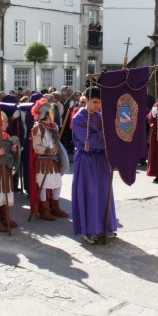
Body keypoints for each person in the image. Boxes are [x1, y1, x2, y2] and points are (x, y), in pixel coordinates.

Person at [71, 86, 116, 245]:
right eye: (94, 102)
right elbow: (88, 140)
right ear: (86, 100)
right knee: (90, 193)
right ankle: (90, 230)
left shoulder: (101, 116)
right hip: (86, 159)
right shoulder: (78, 118)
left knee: (104, 192)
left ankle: (106, 226)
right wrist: (104, 135)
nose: (97, 106)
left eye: (99, 102)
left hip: (102, 160)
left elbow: (111, 135)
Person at [29, 98, 68, 220]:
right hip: (44, 160)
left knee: (57, 184)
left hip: (54, 159)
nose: (52, 113)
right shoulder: (37, 127)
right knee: (44, 185)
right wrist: (48, 150)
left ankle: (55, 207)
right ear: (45, 113)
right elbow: (36, 147)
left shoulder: (54, 126)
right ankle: (45, 210)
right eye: (50, 111)